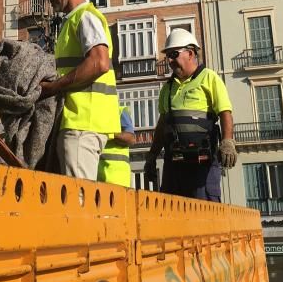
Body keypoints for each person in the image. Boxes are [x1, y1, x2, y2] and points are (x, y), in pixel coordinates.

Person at [38, 0, 121, 179]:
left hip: (83, 123)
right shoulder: (73, 21)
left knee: (79, 202)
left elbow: (99, 62)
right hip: (82, 122)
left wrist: (53, 88)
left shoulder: (85, 17)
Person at [144, 29, 236, 201]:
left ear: (190, 53)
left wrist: (227, 142)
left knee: (205, 215)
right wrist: (152, 156)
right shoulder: (168, 87)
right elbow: (163, 125)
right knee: (171, 215)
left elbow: (225, 112)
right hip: (174, 166)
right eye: (168, 56)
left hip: (203, 164)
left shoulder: (209, 78)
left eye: (173, 54)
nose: (170, 61)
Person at [98, 105, 137, 187]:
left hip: (117, 180)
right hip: (95, 179)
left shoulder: (119, 111)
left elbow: (131, 138)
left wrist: (110, 134)